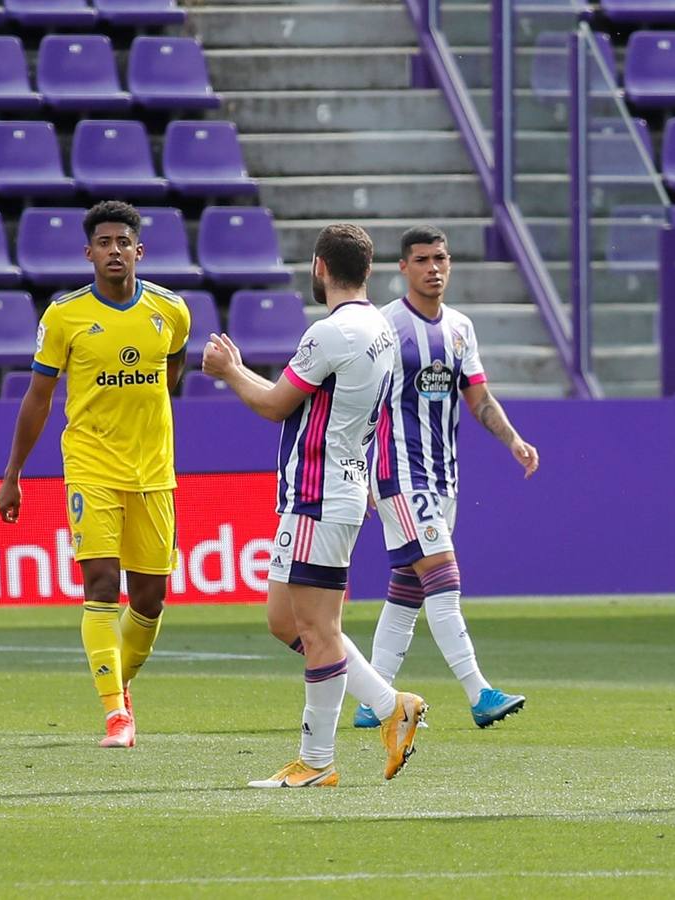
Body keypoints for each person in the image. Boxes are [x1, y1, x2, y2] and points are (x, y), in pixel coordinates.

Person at [201, 223, 426, 788]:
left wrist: (229, 371)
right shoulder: (379, 327)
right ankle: (390, 704)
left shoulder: (329, 333)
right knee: (286, 620)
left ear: (320, 267)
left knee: (319, 629)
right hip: (338, 487)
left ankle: (317, 761)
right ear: (368, 270)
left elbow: (277, 405)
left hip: (318, 493)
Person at [0, 201, 190, 749]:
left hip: (153, 472)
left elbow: (171, 371)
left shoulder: (172, 311)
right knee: (101, 584)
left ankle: (118, 682)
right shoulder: (64, 316)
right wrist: (13, 474)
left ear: (138, 250)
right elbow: (37, 399)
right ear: (89, 252)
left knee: (150, 599)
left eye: (122, 242)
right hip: (89, 466)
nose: (113, 251)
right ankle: (116, 716)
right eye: (103, 242)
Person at [351, 225, 537, 730]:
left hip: (443, 479)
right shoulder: (386, 326)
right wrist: (361, 467)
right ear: (403, 268)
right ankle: (480, 694)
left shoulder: (459, 328)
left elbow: (477, 395)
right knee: (444, 580)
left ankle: (373, 702)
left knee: (406, 591)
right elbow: (362, 399)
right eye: (422, 260)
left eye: (440, 258)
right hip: (399, 473)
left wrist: (513, 440)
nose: (434, 267)